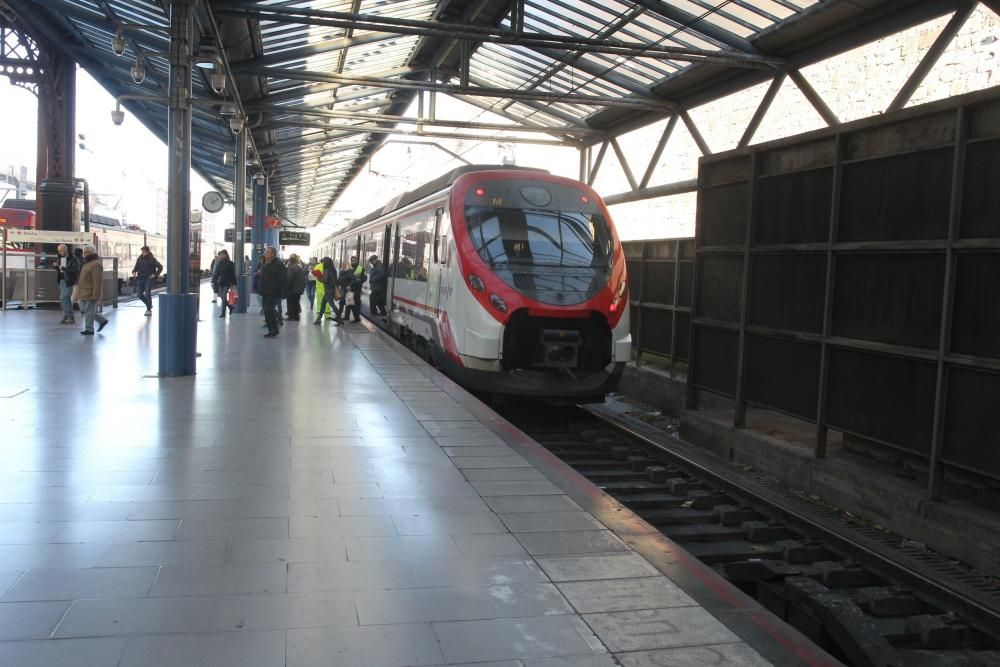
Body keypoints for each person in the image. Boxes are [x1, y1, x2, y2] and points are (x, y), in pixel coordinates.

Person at [77, 244, 109, 335]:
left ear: (91, 253)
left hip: (89, 291)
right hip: (84, 291)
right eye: (84, 252)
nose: (84, 254)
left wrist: (96, 295)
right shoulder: (87, 263)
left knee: (88, 310)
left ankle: (89, 329)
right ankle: (102, 320)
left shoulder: (96, 264)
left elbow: (97, 281)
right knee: (86, 309)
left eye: (86, 252)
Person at [259, 246, 285, 337]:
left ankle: (274, 330)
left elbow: (283, 279)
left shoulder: (279, 264)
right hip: (265, 292)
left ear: (272, 254)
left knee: (269, 311)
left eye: (267, 252)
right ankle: (271, 330)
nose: (265, 253)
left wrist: (282, 293)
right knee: (266, 312)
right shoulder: (266, 263)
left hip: (273, 292)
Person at [131, 245, 163, 316]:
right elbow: (136, 267)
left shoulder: (152, 259)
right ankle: (149, 305)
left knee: (147, 293)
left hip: (148, 279)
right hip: (140, 278)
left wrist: (155, 275)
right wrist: (134, 271)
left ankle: (148, 309)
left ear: (148, 252)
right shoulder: (140, 258)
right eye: (142, 252)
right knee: (139, 294)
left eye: (144, 252)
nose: (142, 253)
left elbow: (160, 267)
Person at [55, 243, 80, 324]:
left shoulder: (73, 258)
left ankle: (68, 315)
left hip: (69, 280)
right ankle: (68, 316)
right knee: (65, 299)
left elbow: (75, 270)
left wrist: (64, 268)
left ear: (66, 250)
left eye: (61, 251)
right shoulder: (61, 258)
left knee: (63, 297)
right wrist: (56, 267)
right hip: (61, 280)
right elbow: (61, 270)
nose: (60, 253)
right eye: (59, 251)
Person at [313, 257, 343, 326]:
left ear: (326, 263)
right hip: (331, 289)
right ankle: (318, 319)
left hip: (328, 290)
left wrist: (318, 276)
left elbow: (324, 280)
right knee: (323, 305)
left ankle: (339, 319)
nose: (322, 264)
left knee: (332, 305)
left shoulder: (326, 270)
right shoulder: (333, 270)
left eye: (323, 262)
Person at [213, 249, 237, 318]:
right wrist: (213, 281)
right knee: (221, 296)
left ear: (225, 255)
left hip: (227, 282)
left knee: (223, 296)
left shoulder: (230, 263)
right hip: (221, 282)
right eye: (220, 255)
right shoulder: (219, 263)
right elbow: (216, 273)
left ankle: (223, 313)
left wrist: (233, 284)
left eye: (221, 254)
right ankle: (230, 307)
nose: (220, 256)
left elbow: (233, 274)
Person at [344, 255, 366, 323]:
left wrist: (358, 282)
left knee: (356, 303)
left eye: (354, 260)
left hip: (357, 289)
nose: (353, 262)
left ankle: (357, 318)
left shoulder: (361, 268)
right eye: (352, 260)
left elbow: (364, 278)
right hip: (349, 289)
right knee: (348, 302)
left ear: (357, 261)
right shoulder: (349, 268)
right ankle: (346, 316)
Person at [285, 254, 305, 321]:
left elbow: (289, 279)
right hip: (299, 289)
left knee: (291, 303)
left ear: (290, 262)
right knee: (296, 303)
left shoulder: (291, 268)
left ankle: (291, 316)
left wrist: (286, 288)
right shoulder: (300, 268)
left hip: (292, 289)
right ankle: (296, 317)